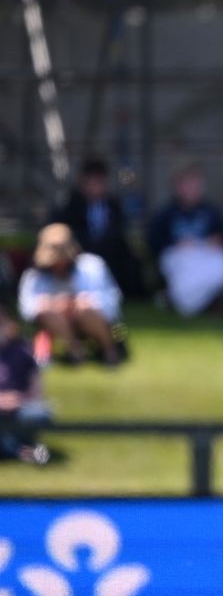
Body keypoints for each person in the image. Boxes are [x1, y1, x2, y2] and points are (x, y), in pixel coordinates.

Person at [18, 223, 124, 366]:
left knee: (85, 308)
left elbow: (112, 300)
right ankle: (76, 351)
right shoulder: (34, 275)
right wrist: (54, 304)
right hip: (56, 323)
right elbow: (27, 309)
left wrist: (81, 302)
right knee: (46, 309)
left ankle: (110, 351)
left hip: (91, 318)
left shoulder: (92, 266)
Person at [147, 163, 223, 316]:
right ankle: (198, 302)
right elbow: (154, 241)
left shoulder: (212, 211)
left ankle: (206, 300)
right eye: (188, 183)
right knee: (184, 270)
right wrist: (175, 243)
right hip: (180, 255)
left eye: (195, 183)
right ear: (178, 186)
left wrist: (218, 240)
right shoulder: (167, 213)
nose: (192, 188)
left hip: (206, 254)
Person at [50, 157, 146, 297]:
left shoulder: (113, 206)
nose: (95, 187)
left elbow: (119, 232)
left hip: (111, 253)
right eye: (92, 183)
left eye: (99, 183)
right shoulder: (71, 206)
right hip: (81, 251)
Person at [0, 305, 52, 465]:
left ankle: (12, 447)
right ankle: (19, 450)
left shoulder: (24, 351)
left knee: (39, 413)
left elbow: (36, 390)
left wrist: (19, 400)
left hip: (19, 408)